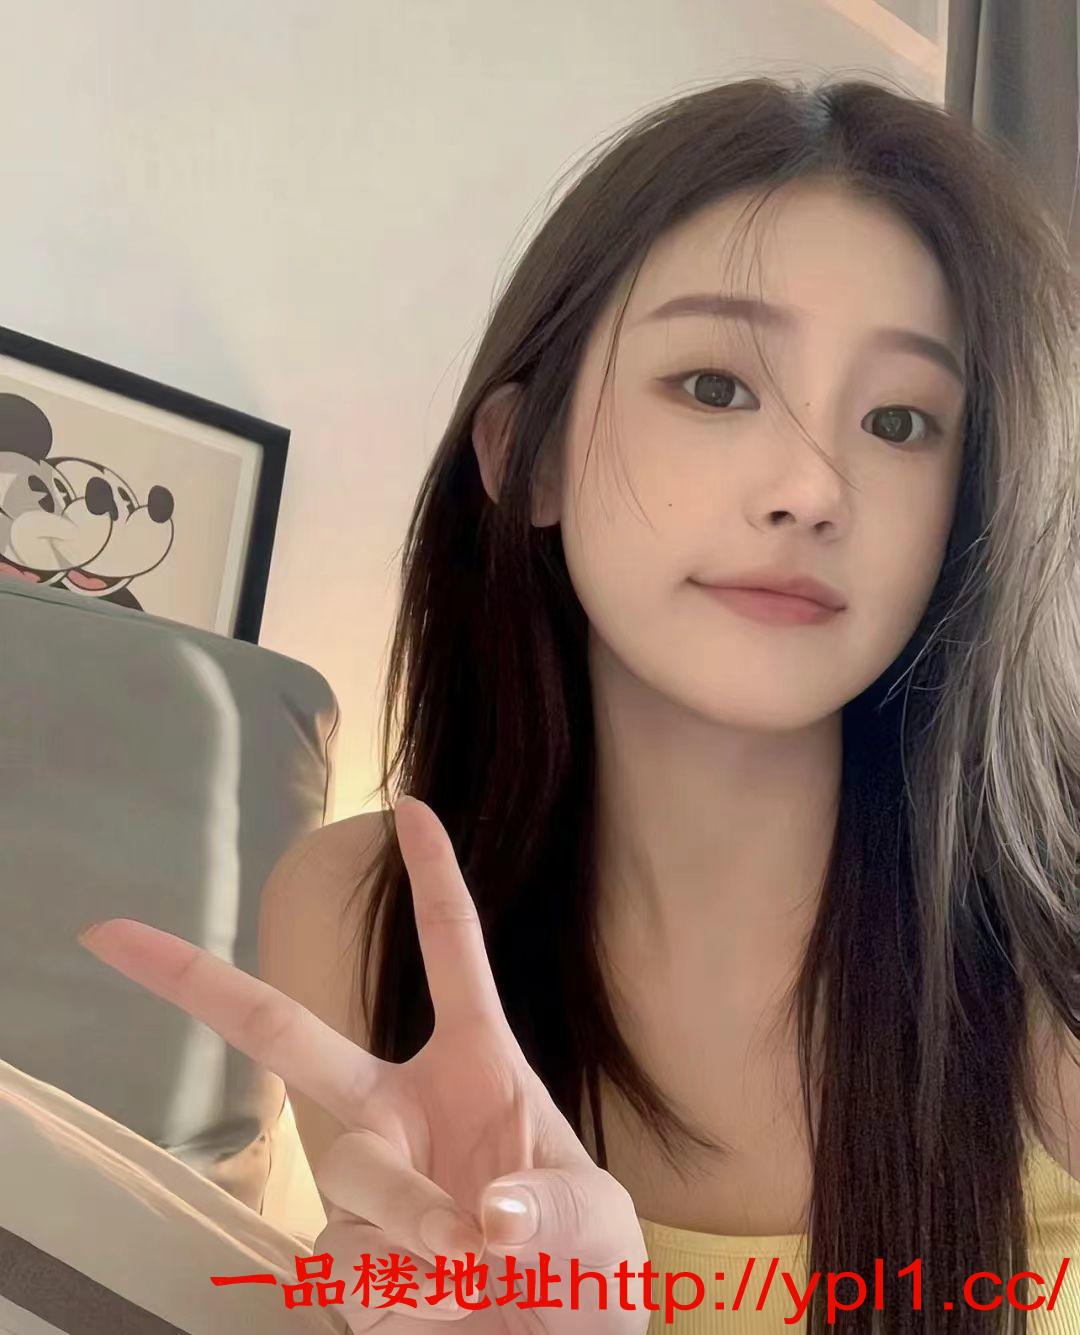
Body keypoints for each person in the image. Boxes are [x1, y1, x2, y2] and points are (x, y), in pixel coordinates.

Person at [79, 75, 1080, 1332]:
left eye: (900, 419)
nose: (811, 488)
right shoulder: (362, 921)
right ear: (527, 455)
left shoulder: (1047, 963)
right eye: (715, 386)